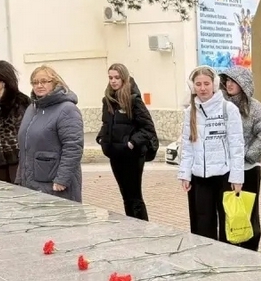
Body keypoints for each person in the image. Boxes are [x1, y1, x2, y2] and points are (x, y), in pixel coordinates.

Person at [178, 66, 245, 240]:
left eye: (206, 83)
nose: (202, 88)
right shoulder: (190, 112)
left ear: (214, 84)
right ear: (193, 86)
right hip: (200, 178)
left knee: (227, 225)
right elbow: (187, 146)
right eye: (198, 84)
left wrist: (237, 177)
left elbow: (237, 146)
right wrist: (185, 174)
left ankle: (226, 254)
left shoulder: (228, 109)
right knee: (202, 224)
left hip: (224, 177)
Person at [218, 65, 261, 250]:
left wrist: (248, 156)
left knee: (248, 210)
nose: (229, 84)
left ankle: (250, 247)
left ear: (244, 83)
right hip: (225, 168)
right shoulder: (220, 104)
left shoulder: (254, 107)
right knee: (227, 210)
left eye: (234, 81)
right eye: (227, 80)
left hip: (248, 168)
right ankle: (227, 246)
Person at [96, 63, 158, 220]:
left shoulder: (133, 100)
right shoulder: (108, 100)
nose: (113, 81)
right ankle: (131, 226)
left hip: (132, 156)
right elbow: (106, 123)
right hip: (115, 154)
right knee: (125, 196)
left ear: (124, 78)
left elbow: (148, 128)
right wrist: (102, 138)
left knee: (135, 196)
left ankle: (142, 227)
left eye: (117, 77)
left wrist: (132, 143)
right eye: (110, 78)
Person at [17, 65, 84, 202]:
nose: (39, 85)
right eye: (35, 82)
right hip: (31, 181)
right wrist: (20, 176)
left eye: (44, 81)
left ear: (54, 83)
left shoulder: (67, 109)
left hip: (55, 183)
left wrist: (62, 179)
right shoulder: (32, 109)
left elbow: (73, 147)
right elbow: (25, 147)